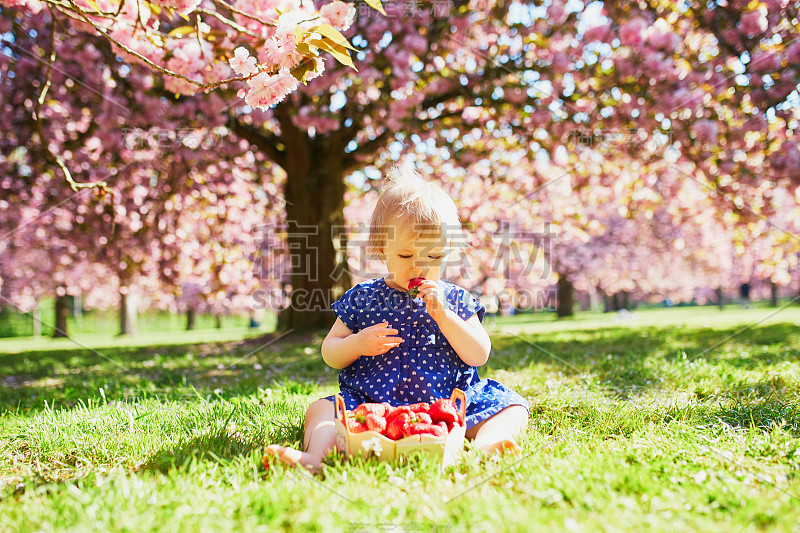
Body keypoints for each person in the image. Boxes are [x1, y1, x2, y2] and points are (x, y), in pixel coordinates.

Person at [264, 165, 529, 473]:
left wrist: (446, 318)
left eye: (434, 257)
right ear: (381, 249)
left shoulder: (454, 300)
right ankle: (315, 458)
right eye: (406, 256)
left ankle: (489, 444)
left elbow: (479, 353)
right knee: (320, 411)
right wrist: (356, 343)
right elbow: (330, 352)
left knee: (511, 406)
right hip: (372, 406)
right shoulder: (362, 298)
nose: (421, 268)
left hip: (445, 406)